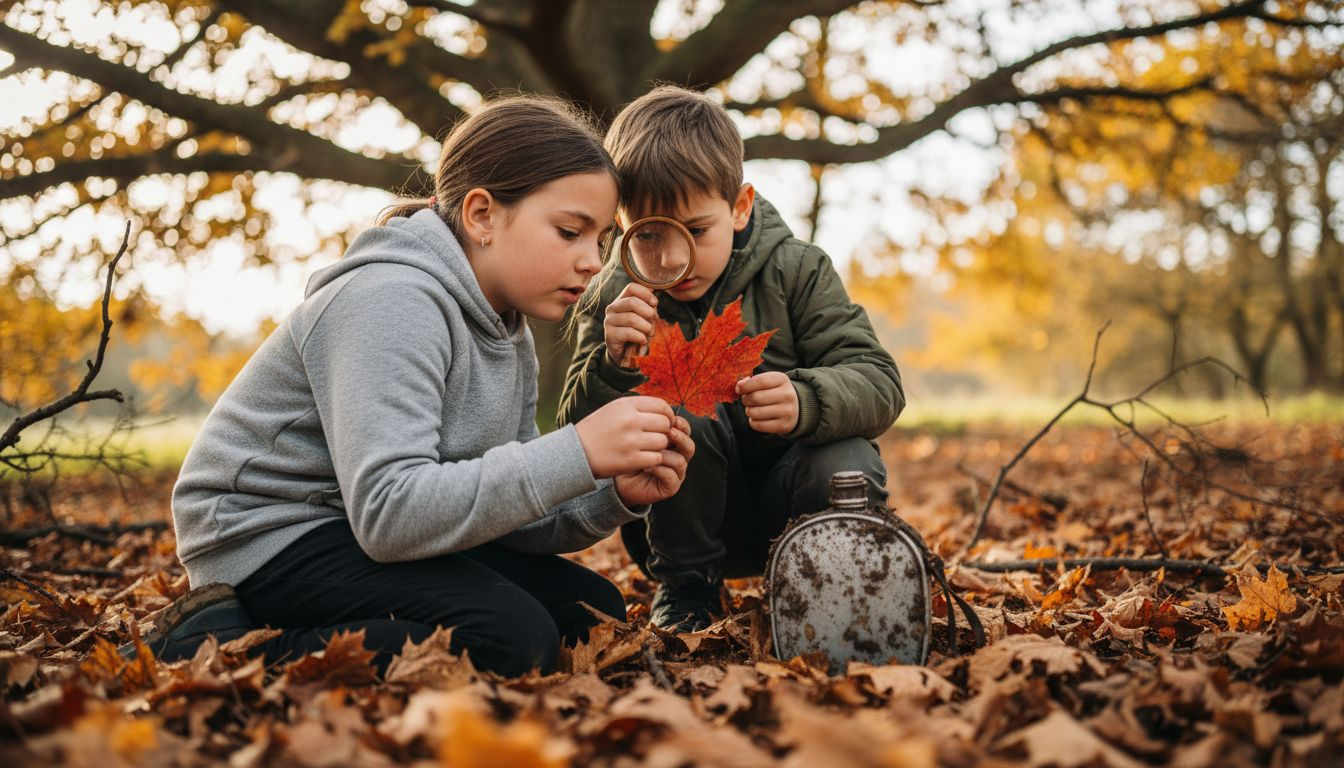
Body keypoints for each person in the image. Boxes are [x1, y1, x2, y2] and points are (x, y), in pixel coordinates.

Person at [134, 96, 695, 677]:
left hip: (363, 530)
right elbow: (389, 513)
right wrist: (577, 450)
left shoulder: (507, 326)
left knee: (589, 615)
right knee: (510, 638)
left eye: (602, 239)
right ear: (481, 215)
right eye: (570, 232)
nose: (592, 262)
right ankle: (218, 645)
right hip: (272, 532)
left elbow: (505, 508)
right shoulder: (391, 299)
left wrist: (613, 492)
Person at [558, 86, 904, 632]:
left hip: (789, 495)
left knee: (848, 452)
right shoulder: (613, 295)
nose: (673, 257)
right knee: (674, 412)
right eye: (648, 236)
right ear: (620, 224)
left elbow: (880, 382)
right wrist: (611, 364)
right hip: (674, 524)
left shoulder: (797, 270)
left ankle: (841, 586)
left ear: (740, 207)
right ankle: (688, 590)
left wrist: (807, 399)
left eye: (696, 231)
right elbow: (573, 434)